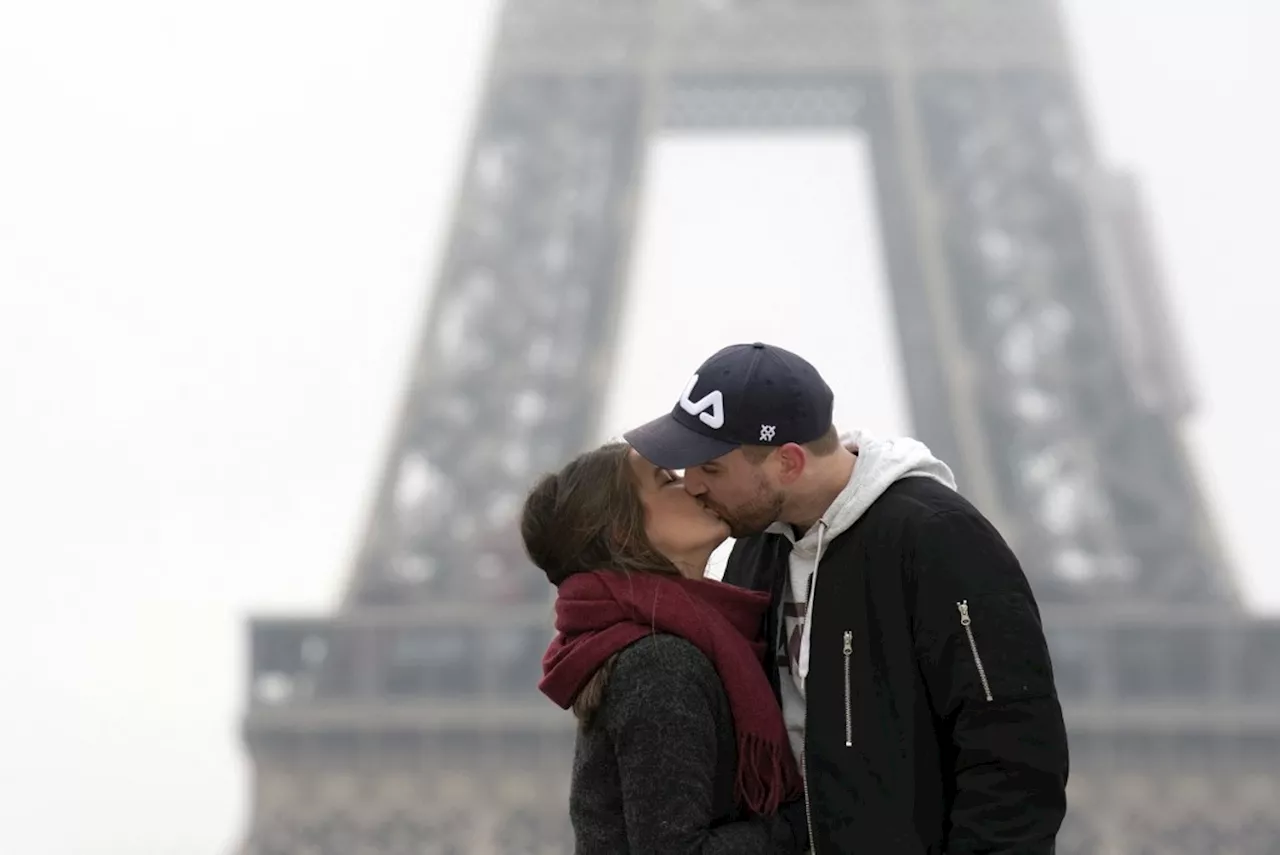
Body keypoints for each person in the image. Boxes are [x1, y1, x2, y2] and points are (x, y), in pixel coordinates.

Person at [624, 342, 1070, 854]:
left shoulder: (941, 540)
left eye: (712, 468)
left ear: (788, 463)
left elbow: (1012, 755)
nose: (692, 484)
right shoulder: (755, 547)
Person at [520, 441, 810, 854]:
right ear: (623, 532)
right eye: (667, 480)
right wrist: (804, 821)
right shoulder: (659, 665)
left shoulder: (669, 642)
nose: (693, 484)